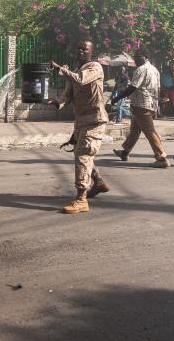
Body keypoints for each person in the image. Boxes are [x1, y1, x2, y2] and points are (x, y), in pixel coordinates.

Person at [49, 40, 109, 215]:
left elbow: (81, 80)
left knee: (83, 154)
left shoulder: (94, 67)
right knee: (83, 152)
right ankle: (98, 182)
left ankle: (81, 199)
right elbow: (68, 94)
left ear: (91, 52)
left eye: (85, 49)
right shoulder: (75, 71)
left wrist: (60, 69)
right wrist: (58, 102)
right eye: (79, 48)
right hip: (81, 120)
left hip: (95, 120)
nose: (81, 51)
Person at [111, 49, 170, 168]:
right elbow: (158, 89)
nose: (135, 59)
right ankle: (125, 152)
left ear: (145, 57)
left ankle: (161, 158)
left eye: (138, 56)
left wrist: (117, 98)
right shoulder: (155, 70)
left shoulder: (141, 69)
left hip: (142, 105)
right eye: (134, 57)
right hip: (149, 104)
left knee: (150, 131)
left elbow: (133, 87)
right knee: (135, 130)